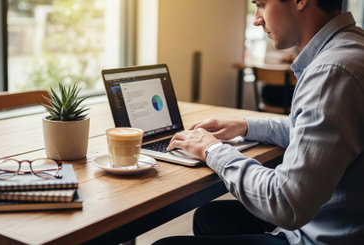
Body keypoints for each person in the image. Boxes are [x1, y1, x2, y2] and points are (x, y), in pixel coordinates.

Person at [154, 0, 364, 244]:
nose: (256, 18)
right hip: (328, 215)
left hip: (320, 234)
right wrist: (245, 126)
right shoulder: (351, 47)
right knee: (209, 217)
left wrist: (212, 150)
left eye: (262, 4)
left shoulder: (332, 71)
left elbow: (285, 202)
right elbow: (314, 130)